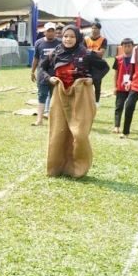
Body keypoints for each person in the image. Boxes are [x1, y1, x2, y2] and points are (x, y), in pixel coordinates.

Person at [40, 25, 109, 178]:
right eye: (65, 36)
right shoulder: (56, 52)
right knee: (59, 132)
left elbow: (104, 67)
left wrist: (93, 79)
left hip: (80, 96)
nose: (68, 39)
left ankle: (77, 168)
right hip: (59, 96)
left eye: (71, 36)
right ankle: (57, 167)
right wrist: (49, 78)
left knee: (79, 133)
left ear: (77, 38)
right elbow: (42, 68)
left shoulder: (86, 53)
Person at [30, 22, 61, 126]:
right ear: (44, 32)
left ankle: (53, 119)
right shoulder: (39, 43)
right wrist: (32, 71)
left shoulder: (60, 43)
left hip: (56, 75)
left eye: (53, 30)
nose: (51, 33)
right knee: (41, 96)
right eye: (49, 31)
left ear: (55, 32)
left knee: (55, 98)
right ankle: (39, 120)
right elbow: (36, 58)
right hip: (42, 74)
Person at [111, 38, 134, 134]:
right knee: (119, 106)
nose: (127, 48)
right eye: (125, 46)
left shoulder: (136, 59)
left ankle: (127, 127)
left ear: (133, 47)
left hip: (132, 87)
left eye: (129, 46)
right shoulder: (118, 59)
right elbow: (115, 73)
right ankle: (116, 126)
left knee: (129, 108)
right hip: (121, 87)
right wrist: (114, 87)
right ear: (122, 47)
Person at [84, 22, 108, 105]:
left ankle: (97, 101)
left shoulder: (103, 40)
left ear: (99, 30)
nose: (94, 30)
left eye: (96, 28)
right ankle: (87, 100)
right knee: (86, 82)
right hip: (87, 64)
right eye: (93, 28)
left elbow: (101, 53)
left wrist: (89, 51)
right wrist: (95, 52)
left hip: (97, 64)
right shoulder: (86, 39)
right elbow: (83, 51)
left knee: (97, 82)